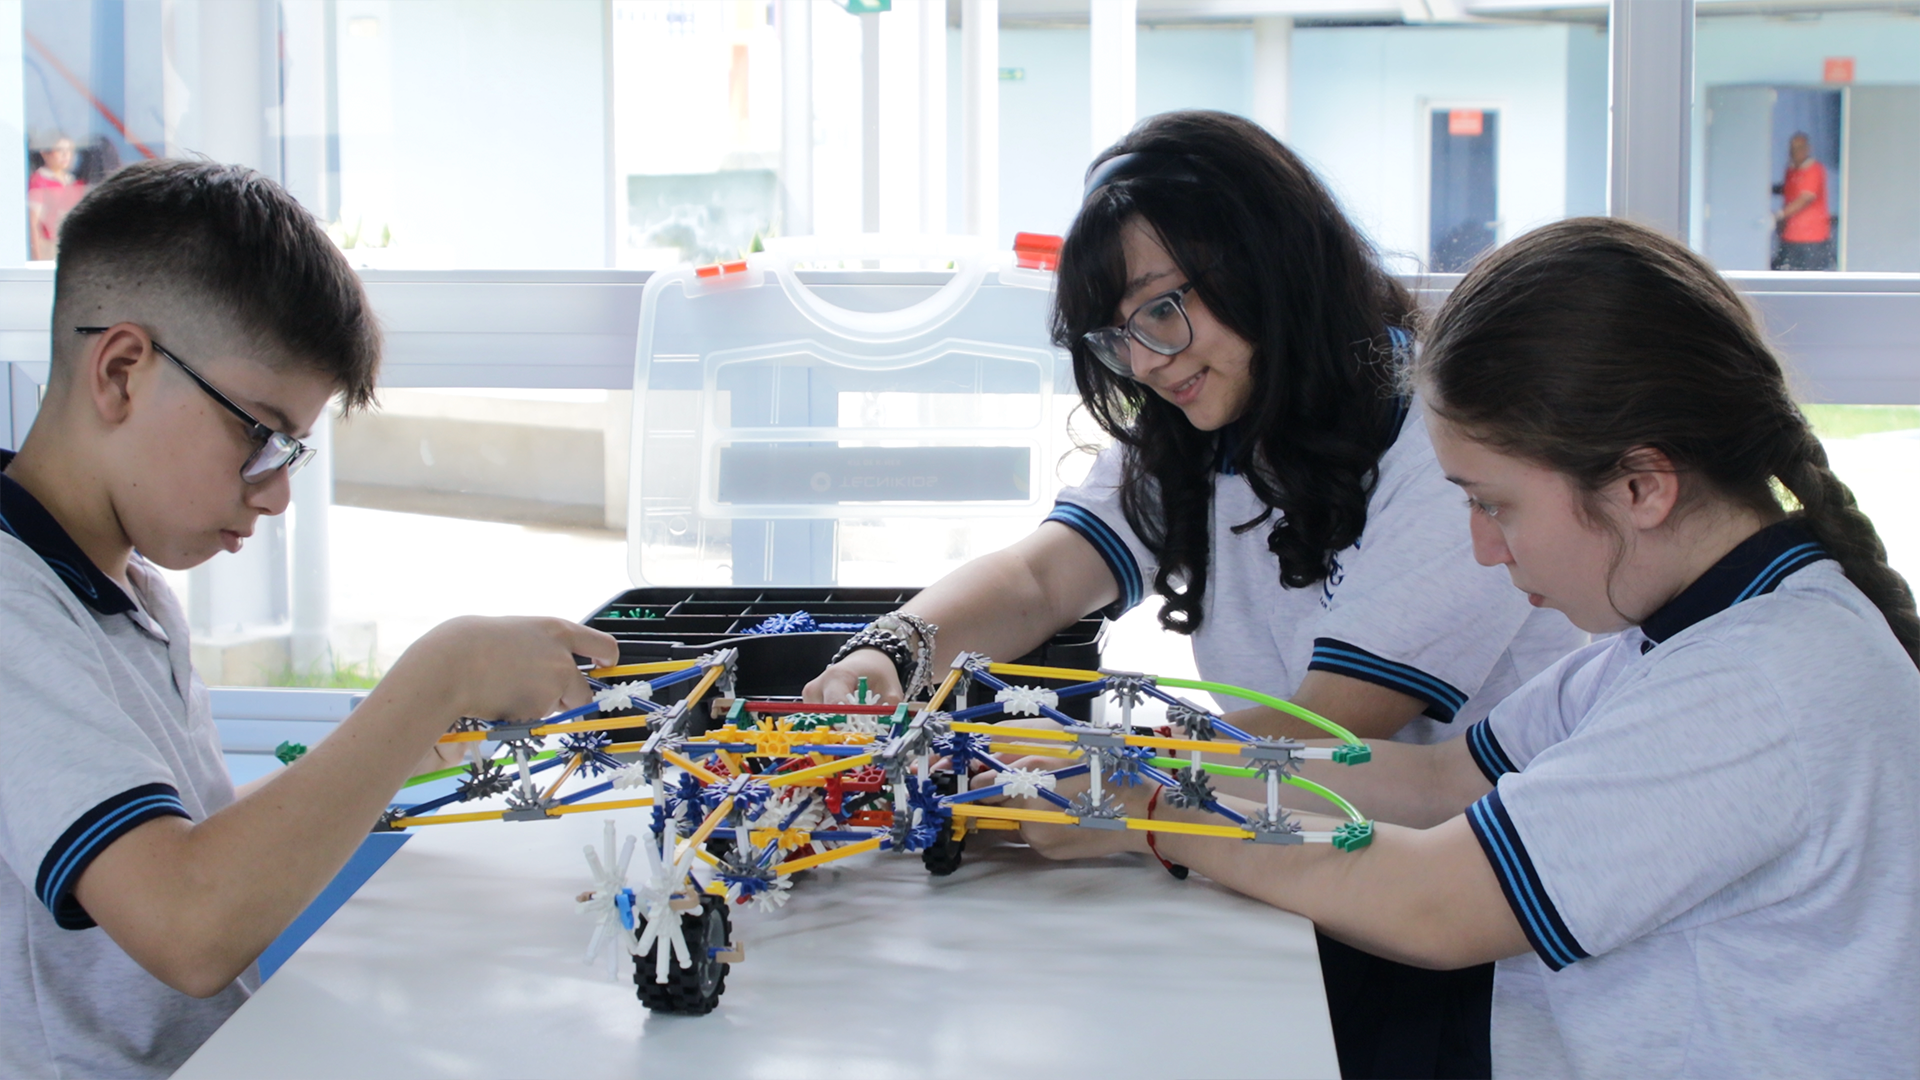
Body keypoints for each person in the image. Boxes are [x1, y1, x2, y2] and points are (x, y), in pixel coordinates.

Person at [1006, 216, 1920, 1078]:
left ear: (1642, 486)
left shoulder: (1760, 685)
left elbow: (1435, 901)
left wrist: (1151, 808)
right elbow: (1439, 784)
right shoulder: (1687, 633)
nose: (1484, 545)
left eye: (1493, 503)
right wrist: (1128, 759)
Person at [804, 111, 1585, 1078]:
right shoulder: (1207, 424)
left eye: (1162, 310)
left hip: (1462, 935)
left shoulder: (1438, 447)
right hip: (1307, 861)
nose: (1143, 361)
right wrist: (894, 649)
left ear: (1267, 264)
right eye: (1118, 334)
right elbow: (1042, 574)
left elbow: (1315, 736)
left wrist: (1109, 783)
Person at [0, 159, 618, 1078]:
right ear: (122, 371)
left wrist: (418, 745)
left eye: (294, 449)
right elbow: (188, 922)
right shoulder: (15, 611)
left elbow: (187, 849)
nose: (278, 493)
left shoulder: (123, 587)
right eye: (258, 432)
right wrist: (435, 676)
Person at [1773, 132, 1834, 272]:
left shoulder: (1814, 170)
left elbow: (1805, 198)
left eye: (1800, 148)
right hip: (1790, 235)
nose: (1796, 152)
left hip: (1812, 237)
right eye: (1793, 148)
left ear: (1808, 149)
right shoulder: (1791, 170)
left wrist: (1779, 215)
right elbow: (1790, 190)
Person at [28, 135, 85, 261]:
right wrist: (38, 258)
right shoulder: (39, 181)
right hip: (49, 248)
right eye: (59, 150)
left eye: (69, 150)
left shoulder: (71, 180)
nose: (66, 155)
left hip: (70, 245)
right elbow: (34, 223)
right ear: (45, 154)